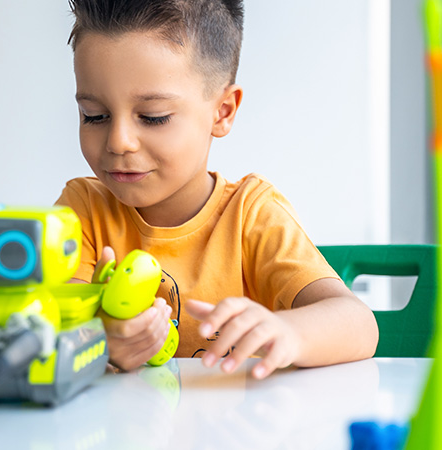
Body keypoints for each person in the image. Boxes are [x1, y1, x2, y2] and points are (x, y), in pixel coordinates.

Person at [56, 0, 379, 378]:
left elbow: (359, 325)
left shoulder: (251, 215)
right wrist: (103, 343)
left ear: (222, 111)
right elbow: (51, 331)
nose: (119, 141)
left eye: (153, 117)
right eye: (94, 115)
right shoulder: (83, 211)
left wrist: (288, 331)